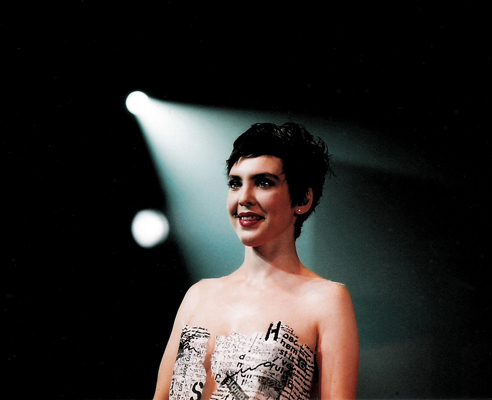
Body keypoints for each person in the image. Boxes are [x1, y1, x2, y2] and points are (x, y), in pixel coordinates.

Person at [152, 122, 359, 400]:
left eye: (263, 183)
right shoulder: (198, 295)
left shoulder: (326, 301)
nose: (244, 198)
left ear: (302, 199)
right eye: (235, 183)